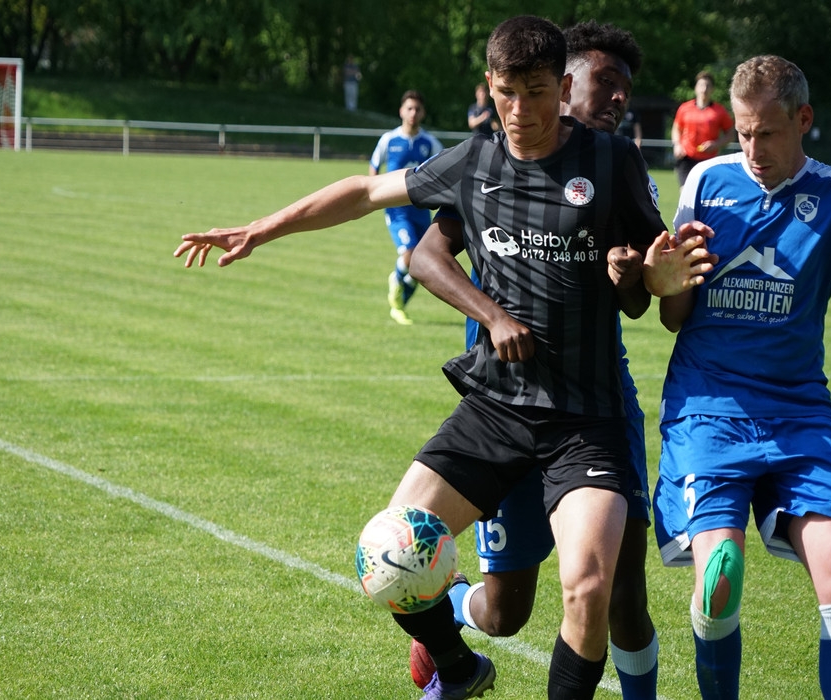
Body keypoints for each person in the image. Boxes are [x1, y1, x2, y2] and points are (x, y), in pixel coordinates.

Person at [175, 16, 711, 699]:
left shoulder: (612, 161)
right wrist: (261, 228)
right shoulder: (474, 160)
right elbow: (364, 192)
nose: (521, 110)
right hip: (495, 410)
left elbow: (650, 278)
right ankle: (458, 669)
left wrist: (655, 277)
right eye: (507, 92)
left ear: (560, 87)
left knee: (589, 587)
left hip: (586, 418)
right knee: (386, 550)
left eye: (537, 92)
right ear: (490, 85)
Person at [411, 20, 661, 699]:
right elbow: (427, 250)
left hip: (593, 403)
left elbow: (642, 298)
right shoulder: (491, 162)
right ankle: (451, 617)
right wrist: (492, 317)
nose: (619, 97)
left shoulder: (614, 164)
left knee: (617, 589)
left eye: (626, 87)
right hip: (502, 404)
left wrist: (636, 274)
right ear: (565, 81)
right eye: (606, 81)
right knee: (504, 612)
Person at [653, 54, 831, 699]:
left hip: (798, 408)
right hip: (707, 407)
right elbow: (674, 313)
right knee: (720, 573)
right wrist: (665, 282)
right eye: (742, 133)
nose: (752, 149)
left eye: (766, 133)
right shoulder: (707, 180)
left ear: (803, 119)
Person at [369, 90, 444, 325]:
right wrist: (373, 196)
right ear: (401, 111)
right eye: (409, 108)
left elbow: (444, 169)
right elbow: (374, 167)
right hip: (396, 210)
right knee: (410, 255)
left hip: (421, 210)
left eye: (417, 109)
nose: (413, 113)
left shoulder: (429, 143)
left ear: (423, 113)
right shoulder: (389, 140)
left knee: (424, 262)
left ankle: (400, 303)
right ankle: (396, 280)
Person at [671, 70, 734, 186]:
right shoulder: (684, 108)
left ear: (712, 89)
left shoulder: (719, 111)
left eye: (707, 86)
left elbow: (731, 134)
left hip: (708, 160)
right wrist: (677, 144)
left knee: (704, 192)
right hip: (686, 157)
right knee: (686, 191)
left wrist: (716, 144)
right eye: (701, 85)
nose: (704, 89)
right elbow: (676, 129)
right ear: (695, 88)